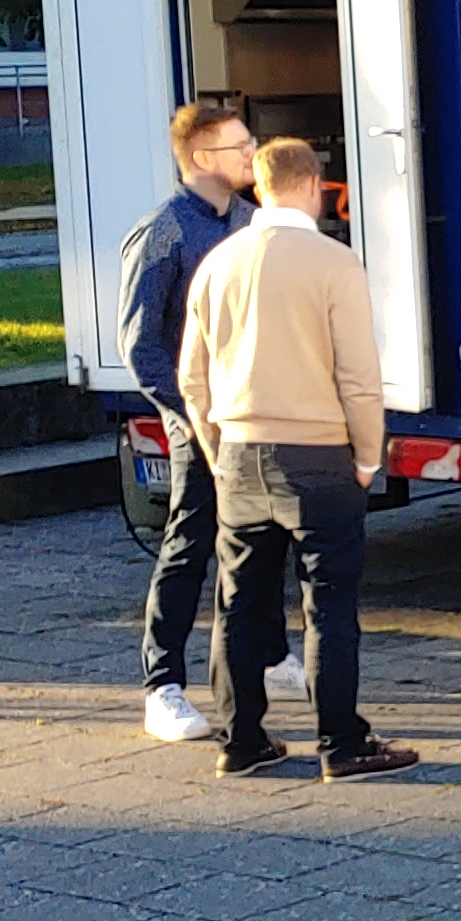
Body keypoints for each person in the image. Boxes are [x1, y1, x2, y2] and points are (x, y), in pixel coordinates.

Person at [176, 138, 417, 780]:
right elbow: (359, 377)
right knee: (329, 604)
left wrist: (216, 445)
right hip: (317, 455)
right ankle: (341, 743)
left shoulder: (217, 263)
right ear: (313, 183)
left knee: (238, 603)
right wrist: (368, 457)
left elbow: (192, 378)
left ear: (258, 186)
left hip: (239, 453)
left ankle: (242, 740)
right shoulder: (334, 263)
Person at [120, 100, 260, 743]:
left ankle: (270, 656)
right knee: (191, 541)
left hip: (254, 411)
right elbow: (142, 345)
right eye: (239, 145)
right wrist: (191, 415)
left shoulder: (253, 221)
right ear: (203, 158)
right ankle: (163, 685)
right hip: (199, 418)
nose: (251, 153)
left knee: (262, 538)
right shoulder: (165, 232)